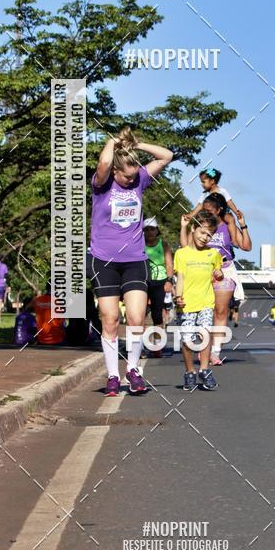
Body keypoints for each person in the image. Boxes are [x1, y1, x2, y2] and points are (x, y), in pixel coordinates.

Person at [88, 125, 173, 397]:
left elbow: (166, 156)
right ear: (115, 172)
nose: (130, 180)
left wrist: (137, 146)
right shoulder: (101, 185)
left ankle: (133, 369)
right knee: (111, 319)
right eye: (126, 176)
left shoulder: (140, 180)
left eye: (134, 175)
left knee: (137, 318)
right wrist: (113, 142)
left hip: (135, 260)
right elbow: (103, 162)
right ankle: (113, 375)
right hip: (104, 261)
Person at [181, 192, 251, 364]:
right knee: (202, 310)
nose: (206, 213)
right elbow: (185, 247)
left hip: (224, 270)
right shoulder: (199, 224)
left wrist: (242, 225)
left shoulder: (228, 223)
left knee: (220, 311)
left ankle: (215, 352)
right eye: (203, 210)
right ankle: (203, 344)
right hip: (201, 270)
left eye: (210, 210)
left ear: (219, 210)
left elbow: (245, 246)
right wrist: (185, 226)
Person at [173, 210, 224, 390]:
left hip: (205, 302)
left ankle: (204, 369)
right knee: (187, 340)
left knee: (204, 334)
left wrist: (219, 274)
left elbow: (218, 274)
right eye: (203, 232)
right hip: (186, 304)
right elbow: (180, 278)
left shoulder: (213, 254)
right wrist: (178, 297)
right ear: (193, 229)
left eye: (209, 235)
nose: (205, 237)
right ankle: (190, 371)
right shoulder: (182, 254)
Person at [143, 217, 174, 357]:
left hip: (159, 282)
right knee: (138, 315)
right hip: (143, 282)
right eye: (146, 229)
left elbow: (169, 264)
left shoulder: (163, 244)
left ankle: (157, 345)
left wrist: (169, 280)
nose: (149, 232)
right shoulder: (138, 244)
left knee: (157, 315)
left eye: (152, 229)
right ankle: (139, 346)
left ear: (157, 231)